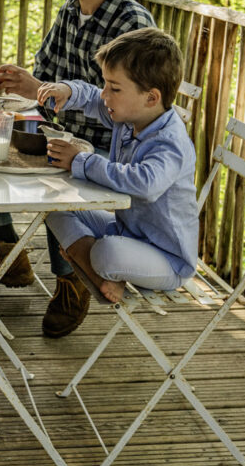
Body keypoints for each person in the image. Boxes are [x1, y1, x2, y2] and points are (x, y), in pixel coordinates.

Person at [0, 0, 155, 338]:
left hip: (107, 149)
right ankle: (8, 251)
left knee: (57, 169)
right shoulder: (70, 11)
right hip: (57, 129)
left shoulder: (131, 24)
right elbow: (43, 72)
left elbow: (129, 108)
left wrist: (42, 91)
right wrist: (23, 84)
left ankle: (69, 280)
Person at [38, 28, 198, 323]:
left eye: (114, 88)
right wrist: (68, 90)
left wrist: (82, 162)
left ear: (151, 97)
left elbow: (145, 184)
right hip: (127, 231)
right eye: (106, 84)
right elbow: (91, 98)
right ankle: (99, 275)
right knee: (52, 206)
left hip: (166, 258)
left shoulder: (170, 142)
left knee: (107, 254)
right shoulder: (129, 114)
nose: (105, 94)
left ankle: (93, 263)